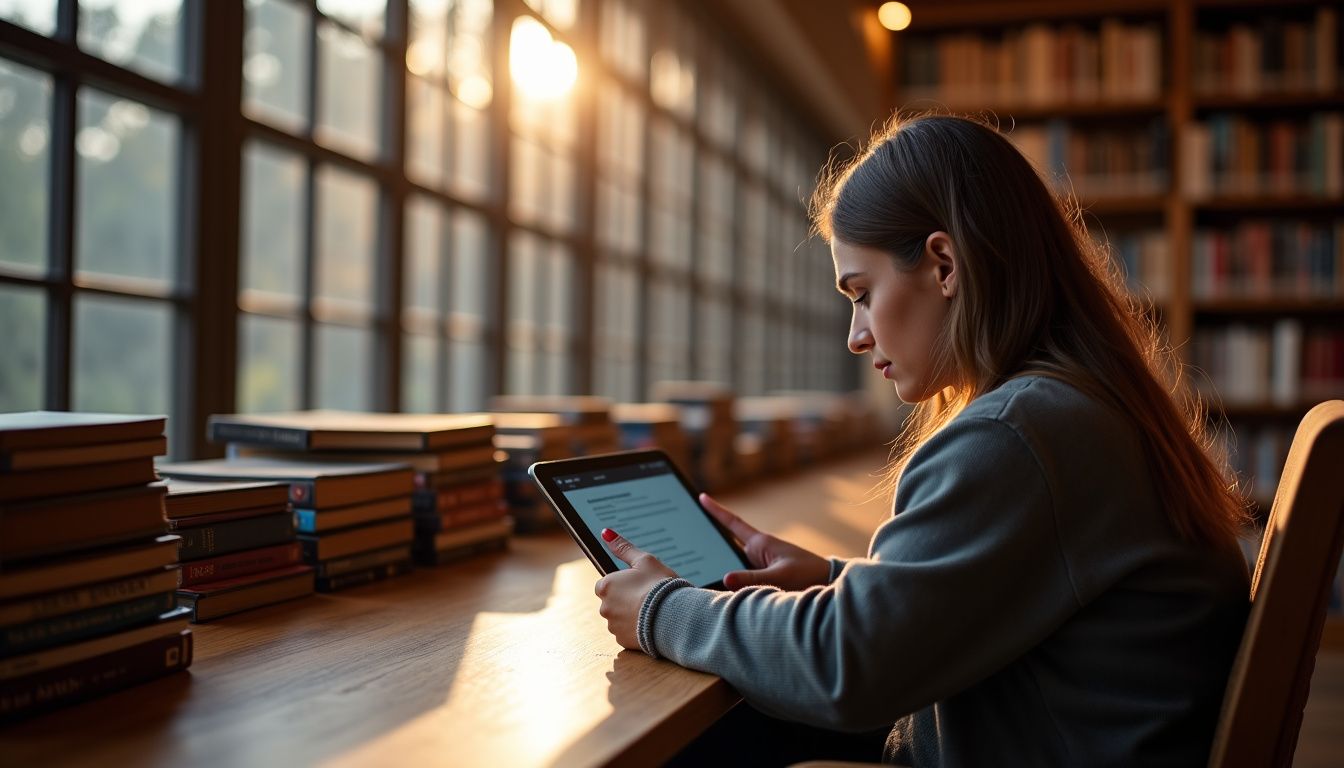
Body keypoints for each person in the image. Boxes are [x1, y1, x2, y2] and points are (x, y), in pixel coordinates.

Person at [593, 114, 1252, 767]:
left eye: (862, 293)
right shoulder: (1083, 407)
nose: (855, 335)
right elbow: (1002, 602)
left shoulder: (1017, 434)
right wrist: (832, 580)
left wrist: (661, 608)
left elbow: (846, 668)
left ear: (943, 265)